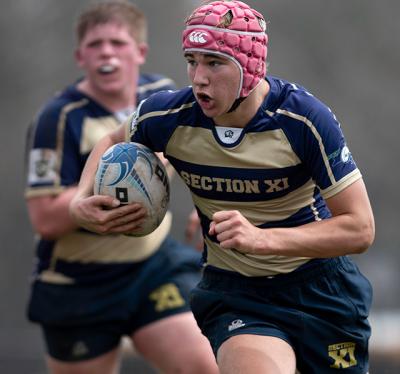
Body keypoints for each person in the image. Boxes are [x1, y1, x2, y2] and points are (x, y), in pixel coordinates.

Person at [69, 1, 375, 373]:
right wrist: (80, 199)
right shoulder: (169, 117)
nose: (198, 77)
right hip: (240, 294)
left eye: (214, 62)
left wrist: (264, 238)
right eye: (192, 60)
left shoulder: (303, 120)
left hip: (320, 289)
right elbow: (111, 142)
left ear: (250, 67)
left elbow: (360, 229)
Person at [24, 1, 219, 373]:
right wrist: (104, 188)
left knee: (206, 366)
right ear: (81, 56)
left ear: (140, 52)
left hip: (152, 268)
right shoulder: (59, 119)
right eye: (96, 45)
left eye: (117, 42)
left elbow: (203, 155)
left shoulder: (160, 96)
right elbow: (45, 219)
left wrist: (207, 203)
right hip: (79, 282)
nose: (107, 52)